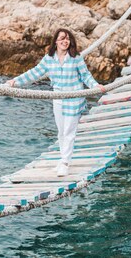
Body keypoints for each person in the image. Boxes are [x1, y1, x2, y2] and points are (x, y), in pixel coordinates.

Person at [7, 28, 105, 177]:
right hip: (58, 98)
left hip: (74, 98)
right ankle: (62, 159)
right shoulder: (49, 58)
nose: (65, 41)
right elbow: (35, 72)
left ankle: (65, 163)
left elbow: (85, 76)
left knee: (69, 132)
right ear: (56, 42)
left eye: (68, 39)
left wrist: (95, 86)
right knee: (61, 132)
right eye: (62, 39)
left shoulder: (75, 57)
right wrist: (15, 81)